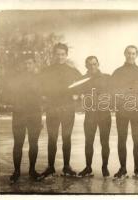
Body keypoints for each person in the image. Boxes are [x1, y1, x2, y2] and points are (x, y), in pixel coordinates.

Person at [40, 43, 82, 177]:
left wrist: (78, 95)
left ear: (66, 55)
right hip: (52, 109)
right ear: (54, 55)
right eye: (57, 54)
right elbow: (39, 86)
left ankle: (66, 166)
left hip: (68, 109)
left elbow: (83, 83)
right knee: (52, 138)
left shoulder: (72, 71)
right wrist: (44, 96)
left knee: (66, 138)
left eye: (62, 54)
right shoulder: (46, 71)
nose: (60, 57)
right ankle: (51, 167)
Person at [111, 45, 138, 180]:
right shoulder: (118, 72)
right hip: (122, 110)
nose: (131, 56)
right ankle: (123, 168)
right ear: (125, 54)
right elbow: (112, 90)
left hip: (137, 110)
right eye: (129, 53)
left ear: (136, 55)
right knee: (122, 139)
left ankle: (137, 169)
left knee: (137, 139)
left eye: (133, 54)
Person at [8, 54, 43, 183]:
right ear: (21, 65)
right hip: (19, 114)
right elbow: (8, 94)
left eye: (30, 63)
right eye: (25, 63)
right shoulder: (15, 78)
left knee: (34, 143)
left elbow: (43, 96)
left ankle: (32, 170)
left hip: (34, 114)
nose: (27, 65)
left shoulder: (39, 79)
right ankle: (16, 171)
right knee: (18, 143)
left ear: (34, 64)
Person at [77, 56, 112, 177]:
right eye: (90, 64)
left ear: (98, 64)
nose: (92, 67)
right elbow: (76, 94)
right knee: (89, 142)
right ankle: (88, 167)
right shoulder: (82, 79)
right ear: (86, 66)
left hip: (104, 114)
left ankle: (105, 167)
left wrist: (109, 103)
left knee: (105, 142)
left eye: (94, 64)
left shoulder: (106, 77)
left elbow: (114, 92)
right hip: (90, 115)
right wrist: (80, 100)